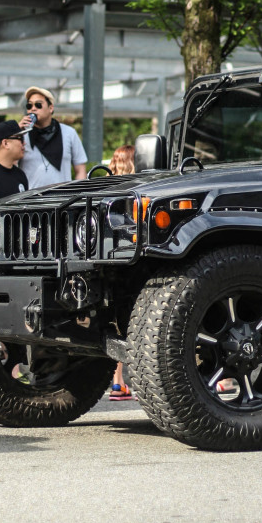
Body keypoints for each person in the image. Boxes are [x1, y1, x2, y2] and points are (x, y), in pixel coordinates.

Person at [107, 144, 136, 400]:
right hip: (133, 264)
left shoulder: (106, 190)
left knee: (116, 325)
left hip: (110, 264)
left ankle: (117, 384)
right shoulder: (139, 189)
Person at [17, 86, 87, 189]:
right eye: (29, 105)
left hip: (62, 200)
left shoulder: (69, 133)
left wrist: (75, 195)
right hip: (30, 201)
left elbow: (81, 170)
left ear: (51, 108)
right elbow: (8, 166)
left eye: (38, 104)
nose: (33, 108)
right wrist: (16, 132)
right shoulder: (22, 135)